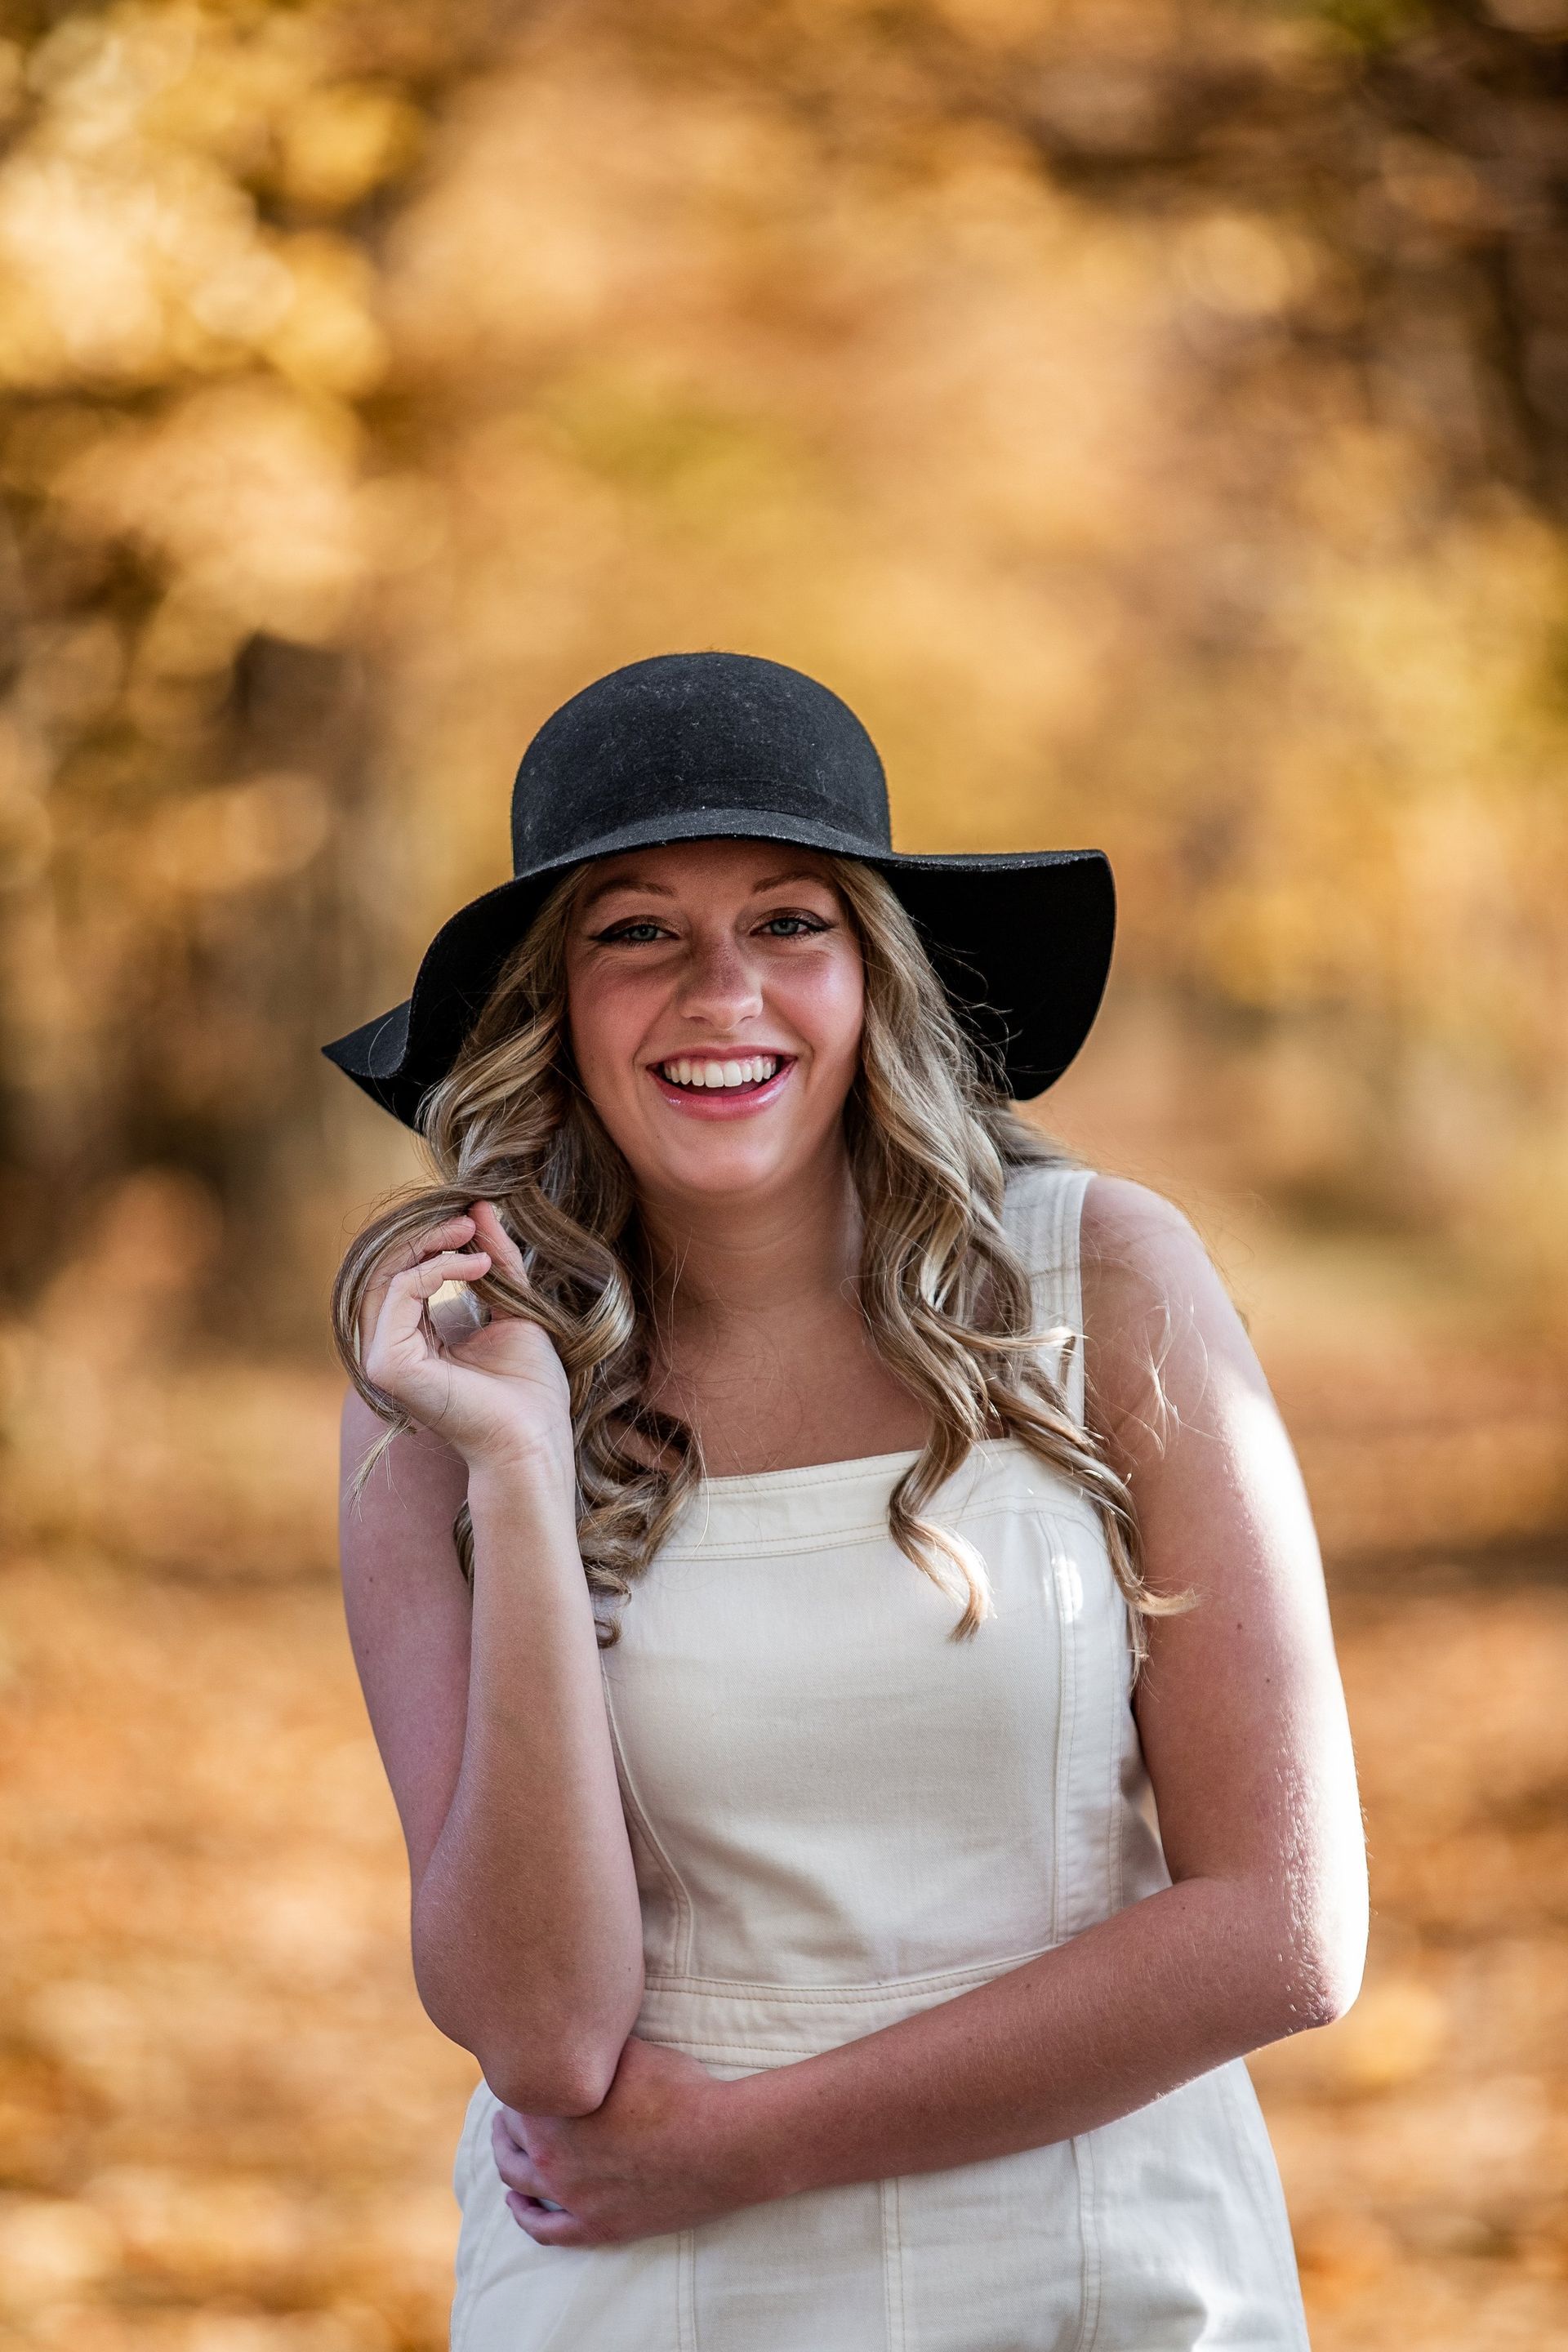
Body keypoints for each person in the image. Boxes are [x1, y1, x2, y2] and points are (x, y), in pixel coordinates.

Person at [322, 652, 1366, 2352]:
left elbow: (1285, 1933)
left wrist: (742, 2147)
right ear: (555, 1007)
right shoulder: (445, 1383)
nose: (720, 993)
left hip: (1104, 2258)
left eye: (790, 924)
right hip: (642, 2288)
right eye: (637, 933)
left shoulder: (1101, 1281)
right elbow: (543, 2037)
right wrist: (519, 1472)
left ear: (873, 978)